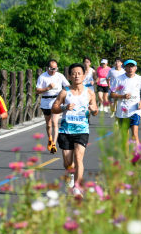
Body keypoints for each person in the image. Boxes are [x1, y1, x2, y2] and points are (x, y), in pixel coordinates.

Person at [51, 63, 98, 198]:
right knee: (68, 164)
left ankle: (77, 187)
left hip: (82, 130)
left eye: (79, 73)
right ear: (69, 76)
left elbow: (95, 110)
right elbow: (54, 108)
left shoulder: (89, 92)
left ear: (84, 75)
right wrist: (64, 108)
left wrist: (94, 110)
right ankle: (72, 176)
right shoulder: (65, 91)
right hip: (66, 130)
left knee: (79, 158)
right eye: (73, 73)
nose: (76, 75)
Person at [111, 59, 141, 149]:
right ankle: (127, 157)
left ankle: (138, 154)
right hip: (122, 110)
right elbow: (112, 93)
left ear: (135, 68)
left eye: (132, 66)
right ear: (125, 68)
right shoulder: (119, 79)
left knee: (135, 134)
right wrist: (122, 96)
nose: (130, 68)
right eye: (128, 66)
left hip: (135, 109)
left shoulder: (140, 79)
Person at [35, 59, 70, 154]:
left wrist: (67, 94)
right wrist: (48, 88)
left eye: (55, 68)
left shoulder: (60, 76)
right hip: (46, 101)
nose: (54, 70)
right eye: (52, 68)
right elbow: (37, 90)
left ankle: (54, 143)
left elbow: (68, 85)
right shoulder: (42, 77)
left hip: (57, 101)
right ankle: (50, 138)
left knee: (55, 122)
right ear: (48, 68)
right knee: (48, 124)